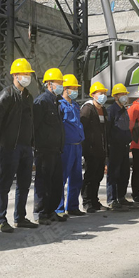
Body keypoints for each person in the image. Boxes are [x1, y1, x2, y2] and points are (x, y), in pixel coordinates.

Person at [0, 58, 38, 232]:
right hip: (10, 146)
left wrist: (32, 143)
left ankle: (20, 217)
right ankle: (1, 219)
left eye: (28, 74)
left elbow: (31, 121)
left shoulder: (28, 97)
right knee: (5, 183)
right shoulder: (6, 96)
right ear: (14, 75)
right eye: (23, 74)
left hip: (26, 146)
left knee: (24, 184)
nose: (27, 77)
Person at [32, 68, 66, 225]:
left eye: (61, 83)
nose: (61, 86)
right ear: (49, 84)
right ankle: (41, 213)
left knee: (56, 182)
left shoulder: (56, 102)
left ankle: (51, 211)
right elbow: (35, 126)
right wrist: (36, 147)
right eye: (58, 83)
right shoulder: (41, 102)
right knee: (43, 183)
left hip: (56, 150)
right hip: (44, 150)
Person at [56, 74, 85, 218]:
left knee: (76, 178)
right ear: (65, 89)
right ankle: (59, 208)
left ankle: (73, 206)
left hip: (77, 145)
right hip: (66, 146)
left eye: (76, 88)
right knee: (62, 178)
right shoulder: (60, 104)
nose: (75, 91)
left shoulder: (75, 105)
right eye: (72, 88)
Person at [80, 82, 111, 212]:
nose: (103, 96)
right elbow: (82, 128)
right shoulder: (87, 109)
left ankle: (95, 201)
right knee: (90, 176)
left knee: (98, 176)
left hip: (101, 149)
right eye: (100, 93)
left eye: (104, 93)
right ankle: (87, 202)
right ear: (93, 95)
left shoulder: (103, 109)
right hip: (91, 150)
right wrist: (86, 147)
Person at [107, 83, 134, 208]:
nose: (124, 97)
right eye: (121, 94)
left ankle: (121, 197)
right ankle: (112, 199)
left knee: (124, 173)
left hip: (124, 146)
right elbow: (108, 129)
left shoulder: (124, 110)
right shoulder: (111, 110)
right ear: (115, 96)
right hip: (115, 147)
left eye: (125, 94)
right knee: (114, 173)